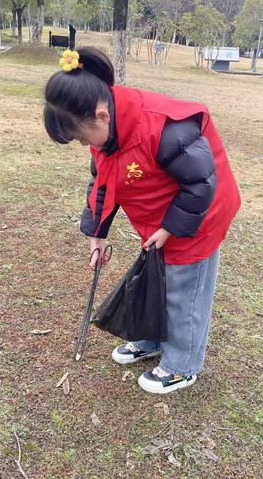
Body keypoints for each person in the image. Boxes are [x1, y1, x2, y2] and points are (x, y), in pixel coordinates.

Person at [44, 47, 241, 394]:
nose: (81, 144)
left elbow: (202, 182)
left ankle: (182, 364)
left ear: (101, 116)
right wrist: (97, 234)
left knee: (184, 291)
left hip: (200, 211)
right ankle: (151, 339)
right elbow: (103, 181)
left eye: (79, 136)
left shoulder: (163, 127)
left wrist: (169, 229)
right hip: (162, 214)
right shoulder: (107, 135)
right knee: (157, 279)